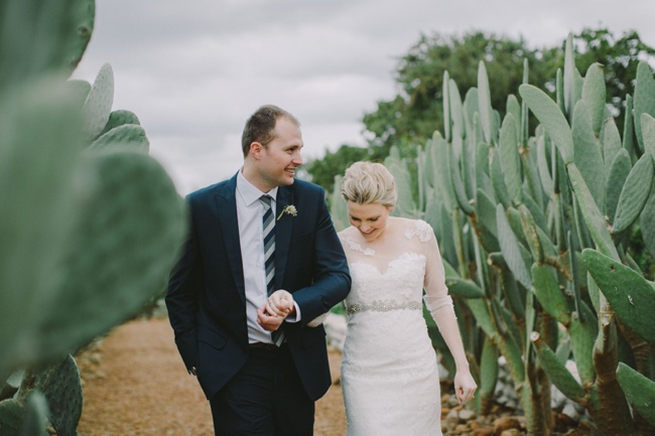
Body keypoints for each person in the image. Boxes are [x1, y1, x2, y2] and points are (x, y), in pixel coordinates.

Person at [165, 104, 351, 435]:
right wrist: (199, 357)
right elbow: (180, 291)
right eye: (291, 149)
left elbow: (338, 276)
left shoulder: (308, 200)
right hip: (234, 367)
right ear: (257, 150)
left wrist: (294, 306)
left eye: (300, 149)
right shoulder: (202, 207)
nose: (300, 159)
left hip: (296, 364)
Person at [335, 161, 476, 435]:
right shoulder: (338, 243)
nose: (363, 227)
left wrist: (462, 366)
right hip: (364, 372)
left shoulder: (420, 234)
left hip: (415, 368)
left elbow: (439, 300)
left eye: (373, 218)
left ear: (390, 206)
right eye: (356, 218)